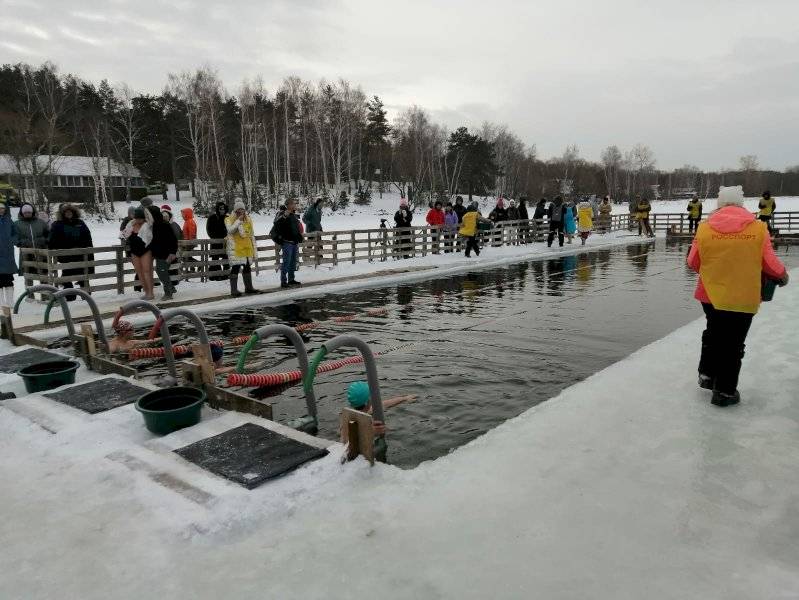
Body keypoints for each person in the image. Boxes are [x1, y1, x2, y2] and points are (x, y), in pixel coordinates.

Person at [686, 185, 788, 407]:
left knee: (713, 332)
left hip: (710, 295)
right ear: (741, 203)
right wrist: (782, 276)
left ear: (719, 204)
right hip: (742, 296)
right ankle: (724, 391)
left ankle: (707, 375)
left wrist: (715, 271)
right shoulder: (758, 229)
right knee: (733, 343)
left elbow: (693, 262)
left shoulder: (704, 229)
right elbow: (770, 264)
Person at [48, 204, 94, 301]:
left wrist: (89, 250)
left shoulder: (80, 223)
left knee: (82, 274)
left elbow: (87, 237)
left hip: (80, 254)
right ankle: (70, 294)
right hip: (65, 255)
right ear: (63, 213)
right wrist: (54, 250)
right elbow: (52, 239)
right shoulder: (58, 224)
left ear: (74, 212)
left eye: (70, 212)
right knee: (67, 274)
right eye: (66, 212)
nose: (69, 214)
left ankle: (86, 294)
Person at [343, 380, 417, 438]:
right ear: (368, 401)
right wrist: (370, 432)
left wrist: (404, 399)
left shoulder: (356, 413)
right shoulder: (360, 423)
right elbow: (347, 438)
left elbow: (385, 404)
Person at [13, 202, 49, 294]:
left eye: (29, 212)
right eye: (25, 212)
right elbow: (14, 237)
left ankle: (44, 294)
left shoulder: (40, 222)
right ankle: (30, 294)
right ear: (22, 213)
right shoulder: (17, 224)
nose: (27, 214)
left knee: (43, 273)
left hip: (41, 252)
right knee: (28, 273)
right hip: (26, 253)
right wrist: (21, 242)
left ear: (32, 212)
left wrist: (44, 240)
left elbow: (49, 234)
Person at [225, 200, 259, 296]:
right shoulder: (229, 219)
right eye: (239, 209)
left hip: (247, 246)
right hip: (236, 247)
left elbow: (251, 233)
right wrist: (238, 220)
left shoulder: (248, 219)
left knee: (247, 266)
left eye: (242, 209)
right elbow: (230, 230)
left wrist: (254, 247)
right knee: (236, 267)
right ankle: (234, 290)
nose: (241, 211)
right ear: (235, 210)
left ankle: (249, 287)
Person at [121, 207, 155, 300]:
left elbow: (150, 238)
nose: (138, 220)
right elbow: (123, 235)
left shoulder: (147, 225)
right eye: (137, 218)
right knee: (139, 272)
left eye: (140, 218)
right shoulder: (130, 225)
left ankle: (150, 293)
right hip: (134, 251)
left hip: (145, 250)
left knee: (147, 271)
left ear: (144, 218)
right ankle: (146, 292)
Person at [146, 206, 178, 301]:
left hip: (166, 254)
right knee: (161, 271)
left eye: (148, 215)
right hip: (159, 254)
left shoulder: (164, 225)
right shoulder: (155, 226)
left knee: (162, 272)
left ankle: (168, 293)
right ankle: (171, 288)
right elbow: (155, 241)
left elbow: (173, 240)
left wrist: (172, 253)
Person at [0, 197, 17, 308]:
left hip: (8, 254)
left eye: (2, 208)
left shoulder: (8, 220)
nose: (1, 210)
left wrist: (12, 240)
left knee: (8, 279)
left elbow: (15, 233)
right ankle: (1, 303)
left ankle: (10, 302)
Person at [206, 201, 229, 281]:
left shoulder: (227, 218)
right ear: (217, 209)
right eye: (220, 209)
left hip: (225, 242)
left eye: (223, 208)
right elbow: (209, 230)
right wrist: (215, 238)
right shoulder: (212, 217)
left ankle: (226, 274)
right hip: (215, 241)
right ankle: (215, 275)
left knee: (226, 257)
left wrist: (226, 236)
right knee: (215, 258)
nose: (222, 210)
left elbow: (229, 229)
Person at [160, 205, 182, 288]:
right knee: (167, 268)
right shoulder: (163, 226)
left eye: (166, 216)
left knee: (172, 267)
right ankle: (171, 283)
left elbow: (178, 236)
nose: (165, 217)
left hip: (172, 250)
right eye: (163, 216)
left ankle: (173, 283)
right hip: (166, 251)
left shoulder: (173, 225)